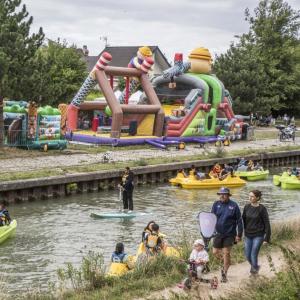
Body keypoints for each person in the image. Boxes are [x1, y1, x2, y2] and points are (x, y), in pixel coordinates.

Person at [211, 187, 243, 283]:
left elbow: (239, 221)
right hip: (218, 233)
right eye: (220, 194)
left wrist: (239, 235)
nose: (222, 195)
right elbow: (211, 218)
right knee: (215, 252)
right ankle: (226, 262)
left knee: (226, 253)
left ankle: (224, 273)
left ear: (228, 195)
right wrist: (208, 230)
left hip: (229, 234)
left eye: (224, 194)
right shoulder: (216, 204)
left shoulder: (234, 205)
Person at [242, 190, 271, 275]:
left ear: (257, 198)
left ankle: (254, 273)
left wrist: (267, 238)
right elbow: (243, 220)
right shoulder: (246, 207)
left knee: (253, 254)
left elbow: (267, 223)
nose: (250, 198)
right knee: (247, 255)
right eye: (249, 196)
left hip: (258, 235)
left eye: (252, 196)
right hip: (248, 235)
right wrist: (240, 232)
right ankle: (256, 267)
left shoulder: (262, 208)